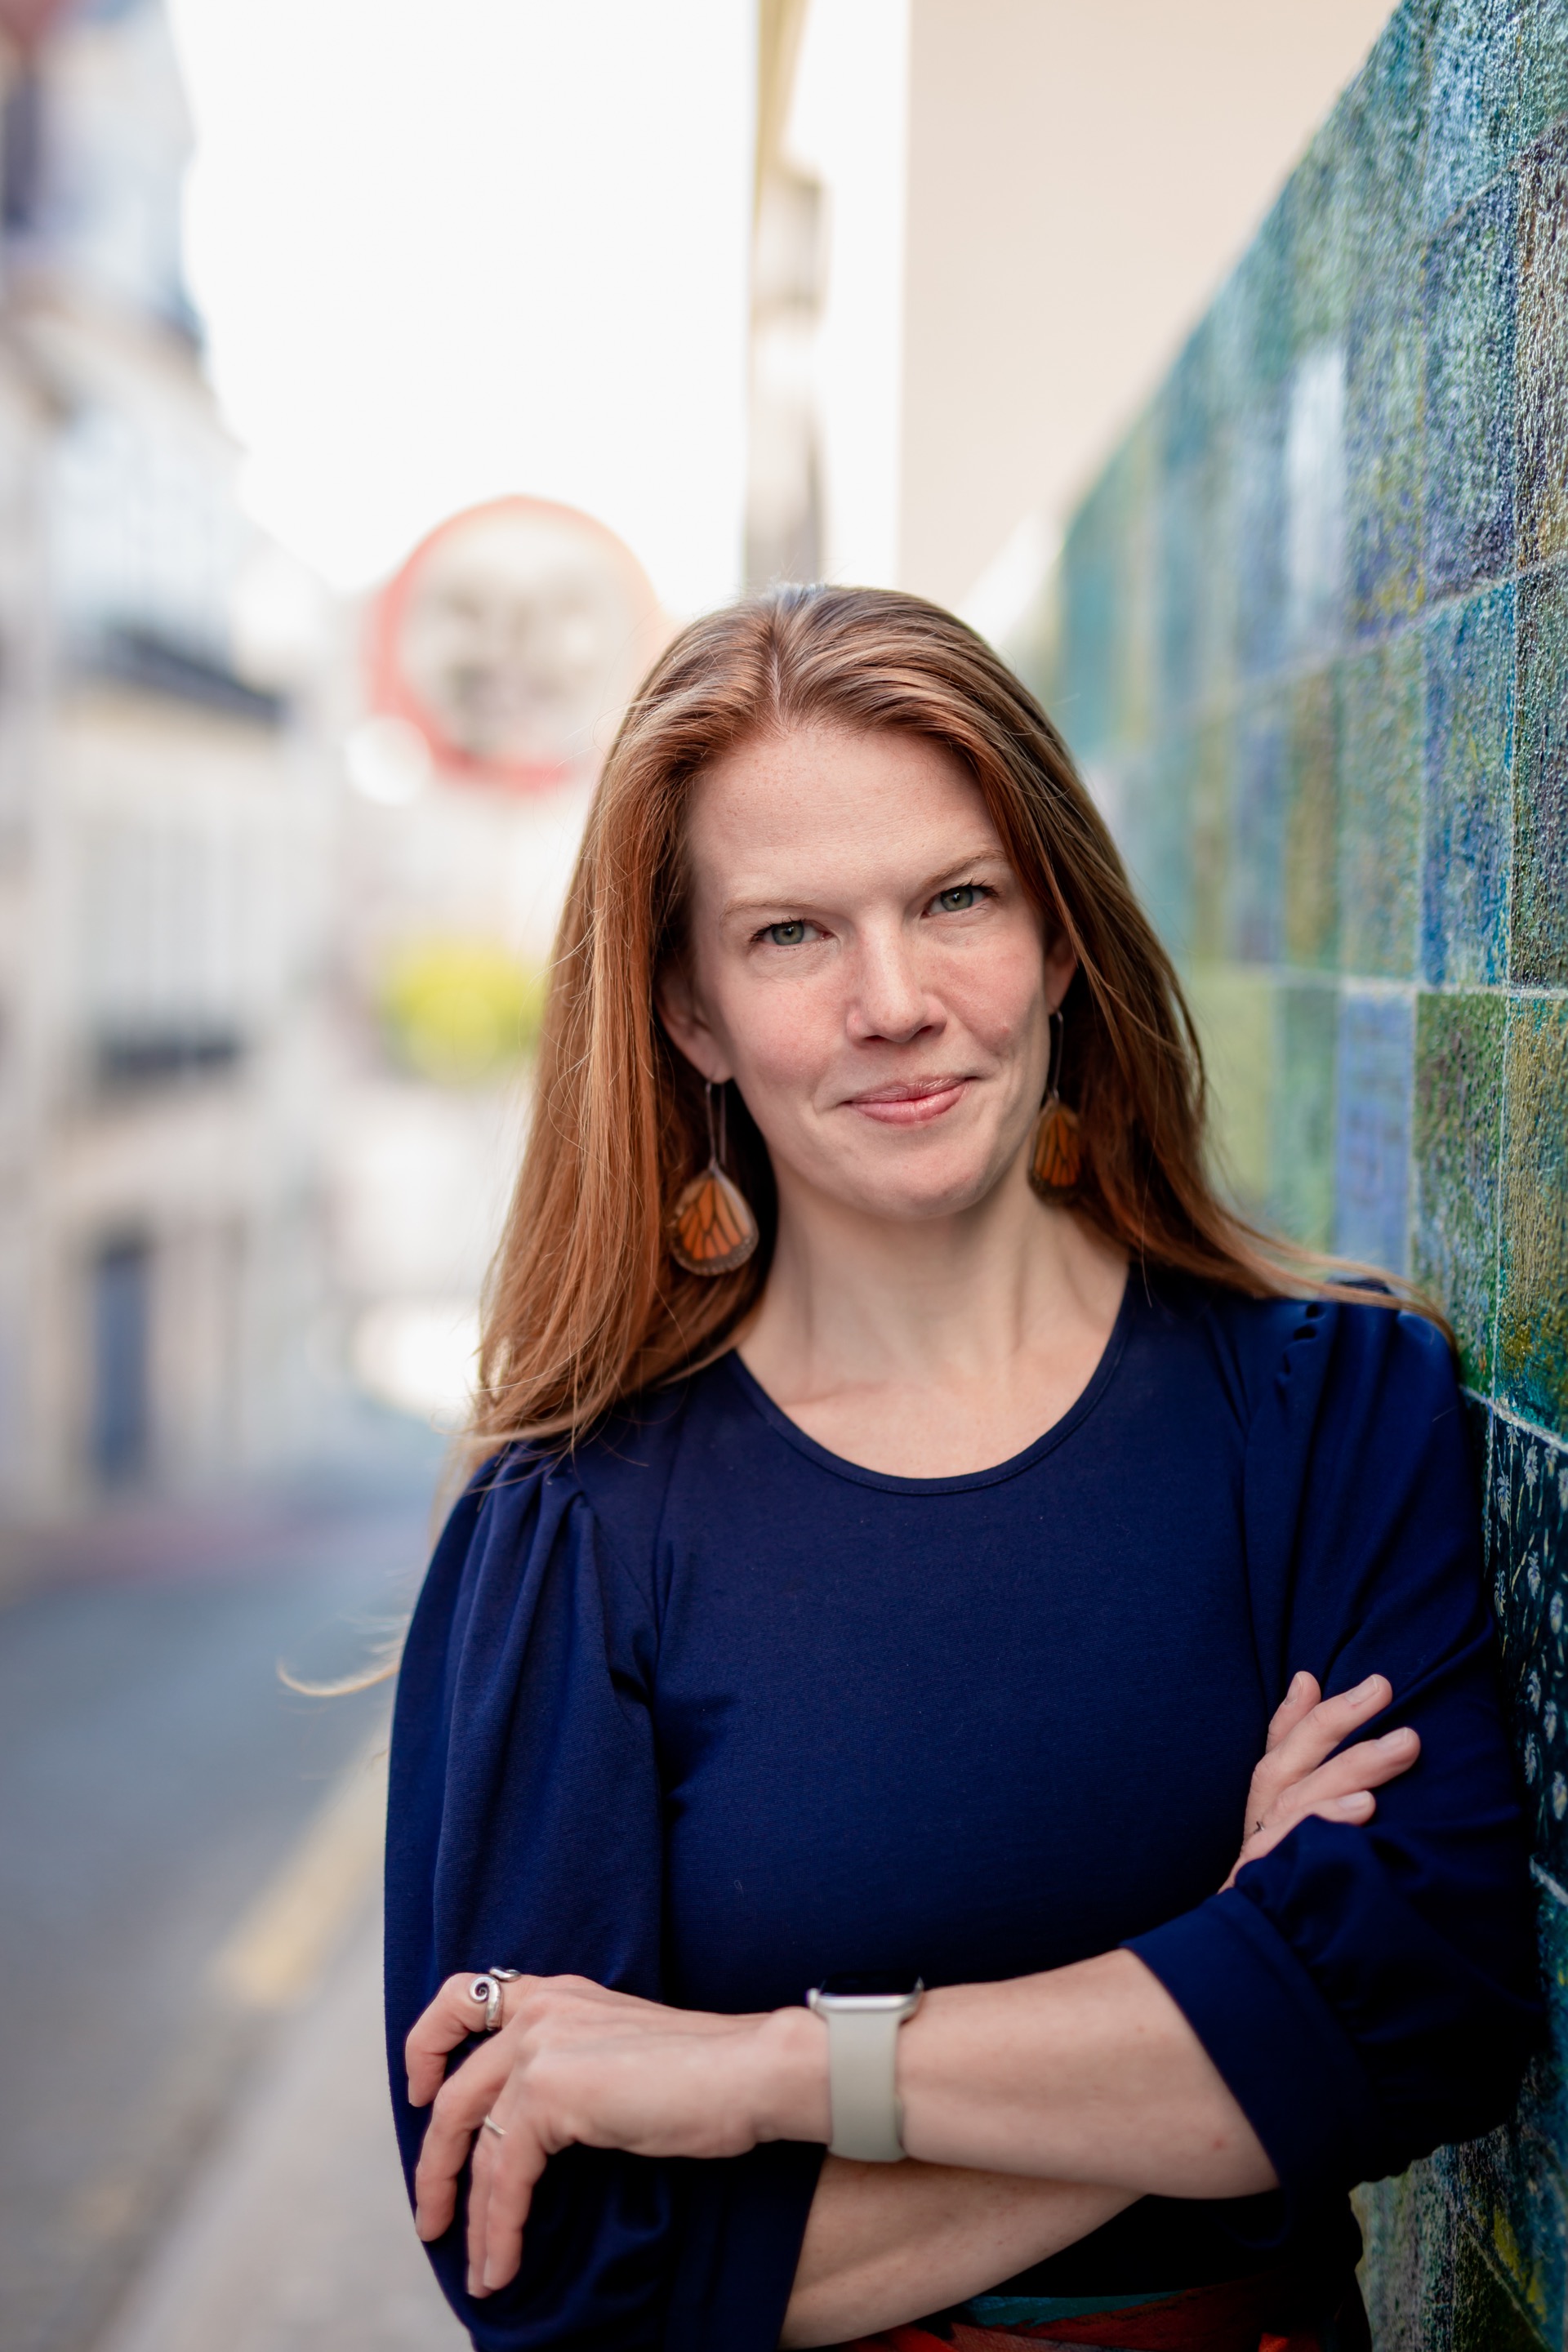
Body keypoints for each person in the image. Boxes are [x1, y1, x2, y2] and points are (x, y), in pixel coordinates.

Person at [384, 586, 1537, 2352]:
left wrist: (758, 2077)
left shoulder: (1329, 1411)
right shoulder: (579, 1530)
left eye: (956, 900)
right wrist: (1234, 1977)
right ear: (690, 1010)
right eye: (788, 937)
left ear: (1062, 936)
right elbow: (566, 2277)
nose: (895, 1001)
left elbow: (1433, 2002)